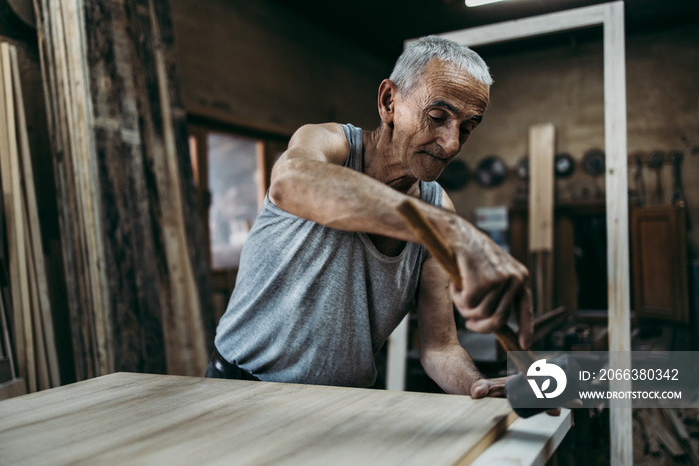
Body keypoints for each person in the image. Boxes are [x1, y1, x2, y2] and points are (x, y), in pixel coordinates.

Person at [206, 35, 532, 399]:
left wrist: (476, 384)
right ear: (389, 102)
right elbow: (290, 181)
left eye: (467, 128)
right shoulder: (327, 145)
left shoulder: (438, 206)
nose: (452, 143)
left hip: (346, 401)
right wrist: (452, 232)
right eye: (437, 117)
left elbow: (439, 347)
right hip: (240, 386)